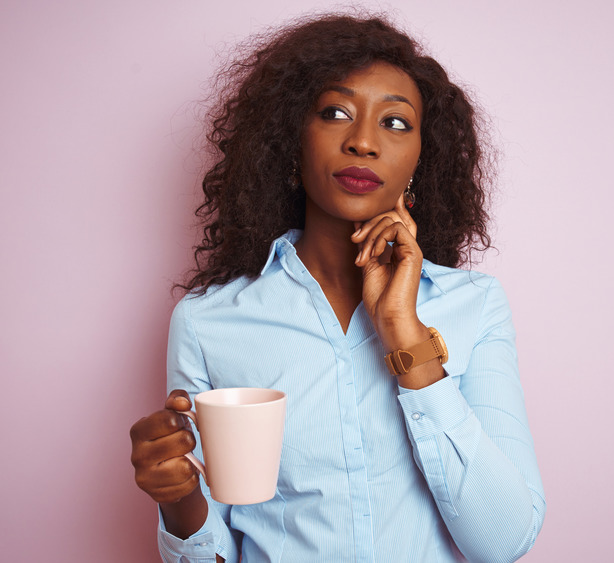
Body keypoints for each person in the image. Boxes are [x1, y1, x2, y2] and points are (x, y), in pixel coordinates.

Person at [130, 13, 545, 562]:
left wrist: (403, 331)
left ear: (421, 160)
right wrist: (180, 499)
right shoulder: (210, 321)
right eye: (335, 113)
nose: (364, 142)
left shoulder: (475, 305)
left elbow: (503, 541)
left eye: (395, 123)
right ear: (289, 142)